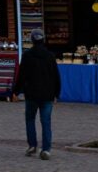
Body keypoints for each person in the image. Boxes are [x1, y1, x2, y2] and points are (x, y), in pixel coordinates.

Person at [12, 28, 61, 161]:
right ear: (43, 40)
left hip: (32, 94)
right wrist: (57, 93)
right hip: (48, 94)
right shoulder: (50, 56)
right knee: (46, 122)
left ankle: (32, 145)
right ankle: (46, 149)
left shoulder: (27, 56)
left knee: (30, 120)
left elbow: (21, 76)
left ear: (32, 40)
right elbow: (56, 76)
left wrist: (16, 92)